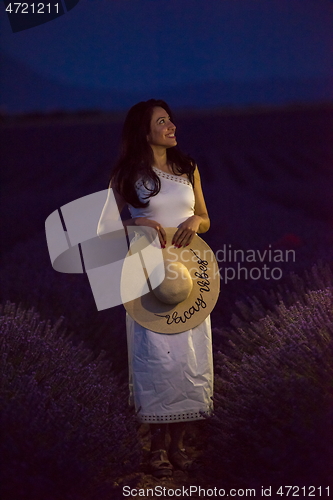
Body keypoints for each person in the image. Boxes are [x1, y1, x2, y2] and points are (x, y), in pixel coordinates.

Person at [99, 99, 214, 478]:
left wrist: (196, 220)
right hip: (148, 274)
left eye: (170, 120)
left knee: (188, 358)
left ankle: (179, 445)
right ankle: (156, 448)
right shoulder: (128, 174)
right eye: (161, 122)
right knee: (157, 359)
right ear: (143, 131)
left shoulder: (188, 167)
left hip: (189, 276)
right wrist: (136, 225)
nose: (171, 126)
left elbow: (205, 218)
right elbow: (104, 230)